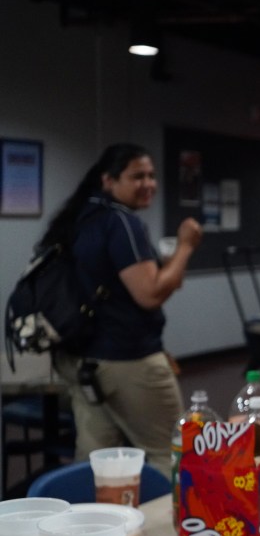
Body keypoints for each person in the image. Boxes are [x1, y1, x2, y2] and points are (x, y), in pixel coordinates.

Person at [44, 143, 201, 477]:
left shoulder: (80, 218)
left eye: (152, 175)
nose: (149, 184)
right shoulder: (121, 222)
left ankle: (97, 512)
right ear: (109, 180)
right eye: (137, 176)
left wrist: (167, 267)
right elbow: (150, 294)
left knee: (99, 463)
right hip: (128, 360)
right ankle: (174, 514)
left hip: (84, 360)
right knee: (171, 455)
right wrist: (186, 245)